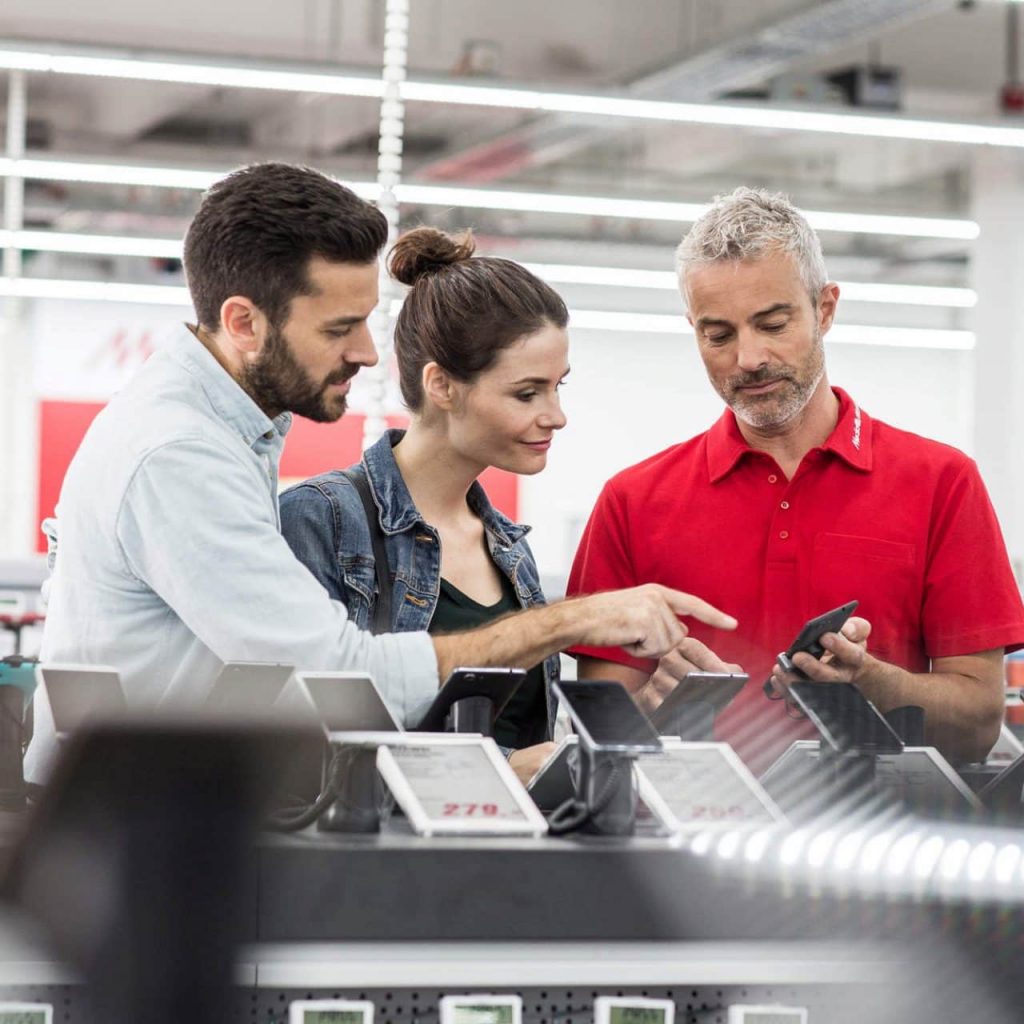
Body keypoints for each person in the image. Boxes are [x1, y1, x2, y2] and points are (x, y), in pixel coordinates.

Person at [27, 162, 736, 782]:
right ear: (244, 323)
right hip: (134, 819)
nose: (368, 353)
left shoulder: (232, 432)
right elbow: (335, 682)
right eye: (338, 328)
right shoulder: (180, 455)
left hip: (175, 809)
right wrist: (572, 621)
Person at [566, 186, 1024, 773]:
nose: (748, 357)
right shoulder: (631, 502)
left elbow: (978, 728)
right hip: (681, 850)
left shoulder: (942, 484)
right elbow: (598, 740)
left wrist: (871, 680)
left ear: (825, 309)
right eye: (718, 334)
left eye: (772, 323)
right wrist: (655, 702)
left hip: (873, 849)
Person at [280, 227, 577, 782]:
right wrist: (502, 772)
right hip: (370, 863)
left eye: (560, 387)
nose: (556, 414)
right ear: (441, 385)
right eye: (527, 393)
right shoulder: (320, 519)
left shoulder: (511, 550)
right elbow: (302, 751)